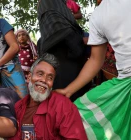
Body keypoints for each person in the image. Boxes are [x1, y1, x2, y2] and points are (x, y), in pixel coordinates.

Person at [56, 0, 131, 139]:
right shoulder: (98, 15)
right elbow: (96, 59)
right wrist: (69, 90)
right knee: (77, 114)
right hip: (126, 85)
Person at [10, 53, 88, 139]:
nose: (44, 80)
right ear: (29, 77)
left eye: (50, 78)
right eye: (40, 74)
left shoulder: (62, 105)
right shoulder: (19, 107)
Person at [37, 0, 90, 102]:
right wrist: (78, 41)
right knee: (64, 102)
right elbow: (58, 30)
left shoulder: (63, 4)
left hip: (72, 58)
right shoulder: (48, 2)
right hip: (62, 57)